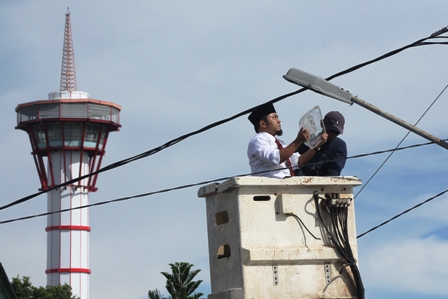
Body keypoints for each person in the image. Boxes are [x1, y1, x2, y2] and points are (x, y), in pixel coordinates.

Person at [247, 103, 310, 178]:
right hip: (269, 187)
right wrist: (298, 141)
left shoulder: (280, 143)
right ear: (263, 123)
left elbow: (298, 161)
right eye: (274, 118)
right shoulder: (258, 140)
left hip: (286, 185)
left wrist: (317, 145)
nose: (279, 121)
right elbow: (274, 158)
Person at [294, 111, 347, 176]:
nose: (333, 134)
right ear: (322, 124)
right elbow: (294, 163)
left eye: (336, 132)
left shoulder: (339, 145)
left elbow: (334, 170)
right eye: (330, 130)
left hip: (324, 183)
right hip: (300, 182)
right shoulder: (307, 139)